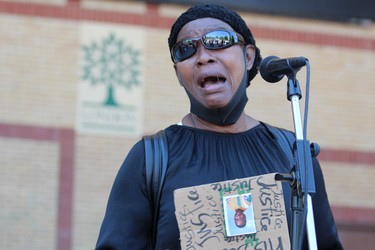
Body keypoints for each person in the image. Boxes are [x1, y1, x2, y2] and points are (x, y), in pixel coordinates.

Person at [95, 3, 343, 250]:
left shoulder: (293, 153)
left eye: (219, 40)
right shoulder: (150, 158)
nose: (203, 57)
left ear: (248, 57)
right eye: (186, 49)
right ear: (178, 73)